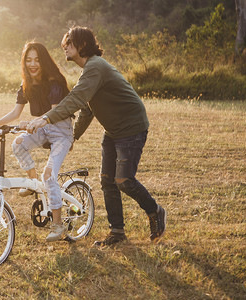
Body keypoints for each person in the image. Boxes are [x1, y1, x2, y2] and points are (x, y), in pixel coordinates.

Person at [27, 26, 166, 246]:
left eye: (69, 43)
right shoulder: (89, 70)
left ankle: (155, 211)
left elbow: (76, 100)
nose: (65, 46)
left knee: (124, 180)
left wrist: (46, 119)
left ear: (82, 45)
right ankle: (117, 232)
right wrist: (73, 136)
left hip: (131, 128)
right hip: (113, 131)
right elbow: (88, 108)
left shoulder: (95, 67)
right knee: (107, 181)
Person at [0, 42, 74, 242]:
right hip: (41, 128)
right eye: (28, 60)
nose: (33, 64)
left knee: (50, 174)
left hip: (61, 131)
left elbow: (55, 111)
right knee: (18, 144)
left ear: (44, 61)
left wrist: (35, 122)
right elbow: (15, 112)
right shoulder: (26, 84)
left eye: (37, 60)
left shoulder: (54, 81)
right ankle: (32, 182)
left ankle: (58, 224)